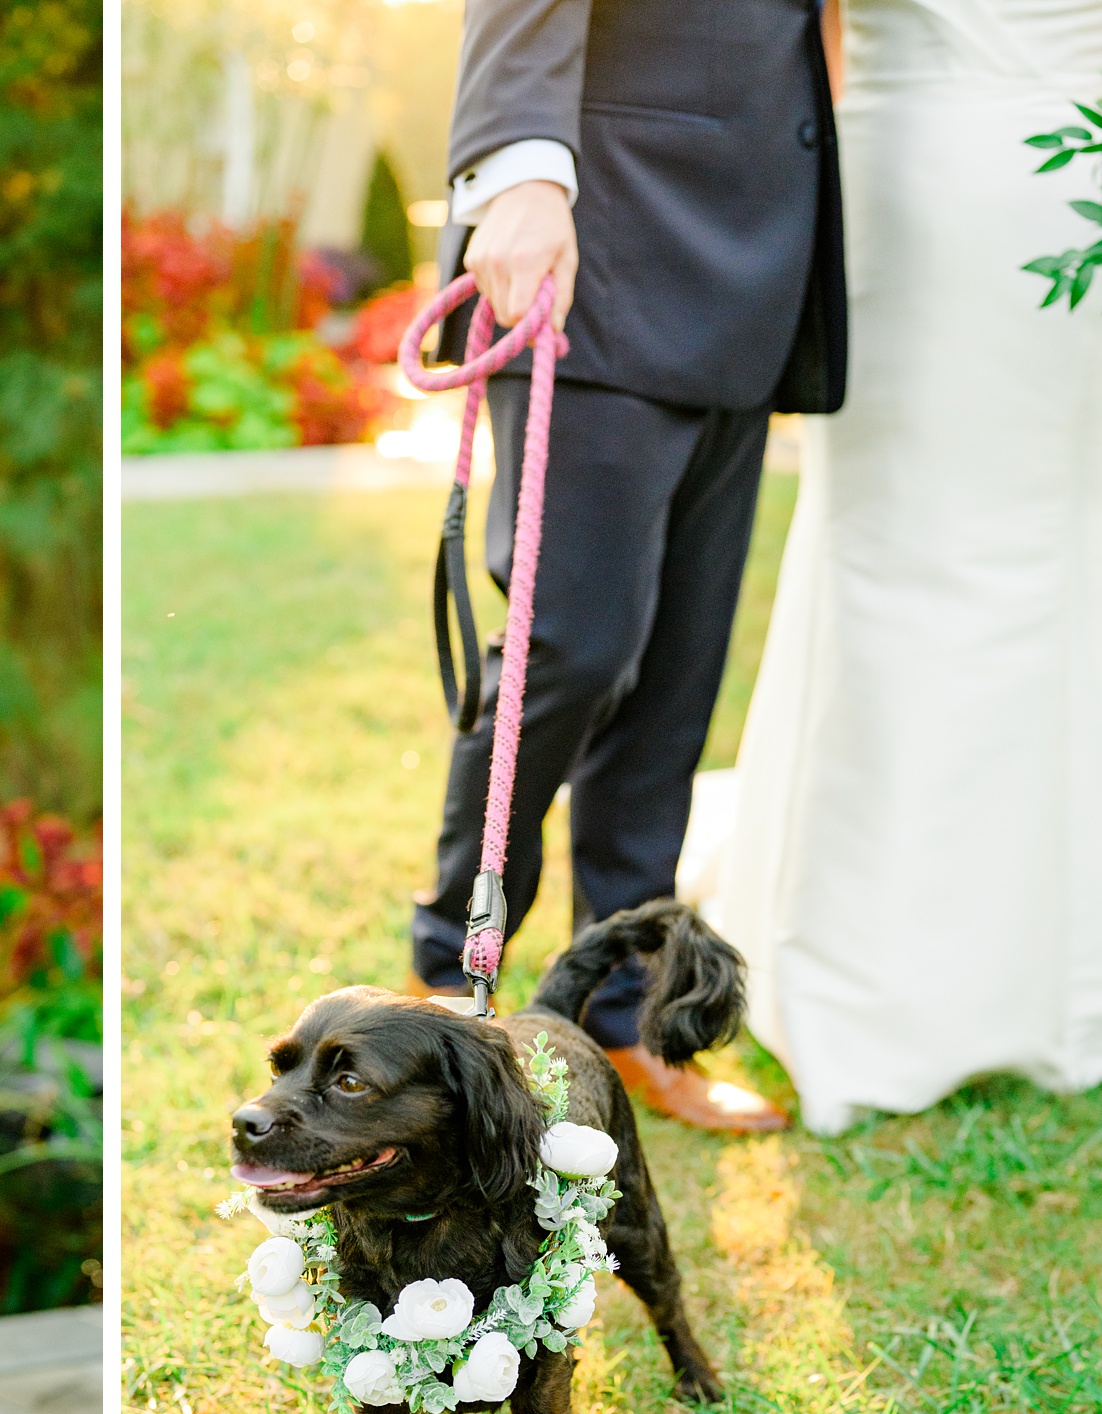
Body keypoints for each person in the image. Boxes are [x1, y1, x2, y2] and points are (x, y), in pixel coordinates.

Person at [707, 0, 1102, 1136]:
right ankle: (1091, 965)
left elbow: (816, 47)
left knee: (892, 553)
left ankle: (869, 971)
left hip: (891, 182)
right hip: (1067, 197)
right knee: (1058, 562)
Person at [412, 0, 845, 1134]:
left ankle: (620, 1012)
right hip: (597, 241)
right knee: (575, 642)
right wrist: (517, 176)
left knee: (679, 668)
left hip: (752, 260)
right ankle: (448, 977)